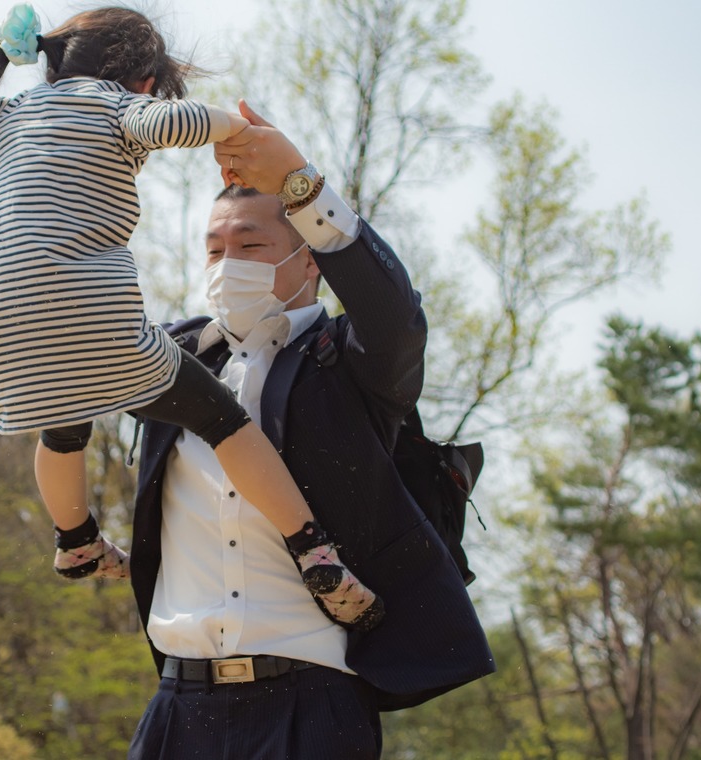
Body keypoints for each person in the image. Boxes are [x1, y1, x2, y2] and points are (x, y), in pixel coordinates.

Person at [0, 5, 383, 631]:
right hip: (89, 310)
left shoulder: (9, 115)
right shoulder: (118, 106)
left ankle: (76, 541)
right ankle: (314, 554)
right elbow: (186, 121)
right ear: (144, 81)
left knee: (64, 420)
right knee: (222, 420)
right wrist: (241, 134)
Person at [126, 101, 496, 759]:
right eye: (214, 249)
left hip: (312, 705)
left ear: (309, 261)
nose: (227, 264)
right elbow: (63, 345)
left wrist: (301, 184)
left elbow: (396, 320)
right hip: (177, 710)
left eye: (251, 245)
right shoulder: (172, 361)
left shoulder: (348, 364)